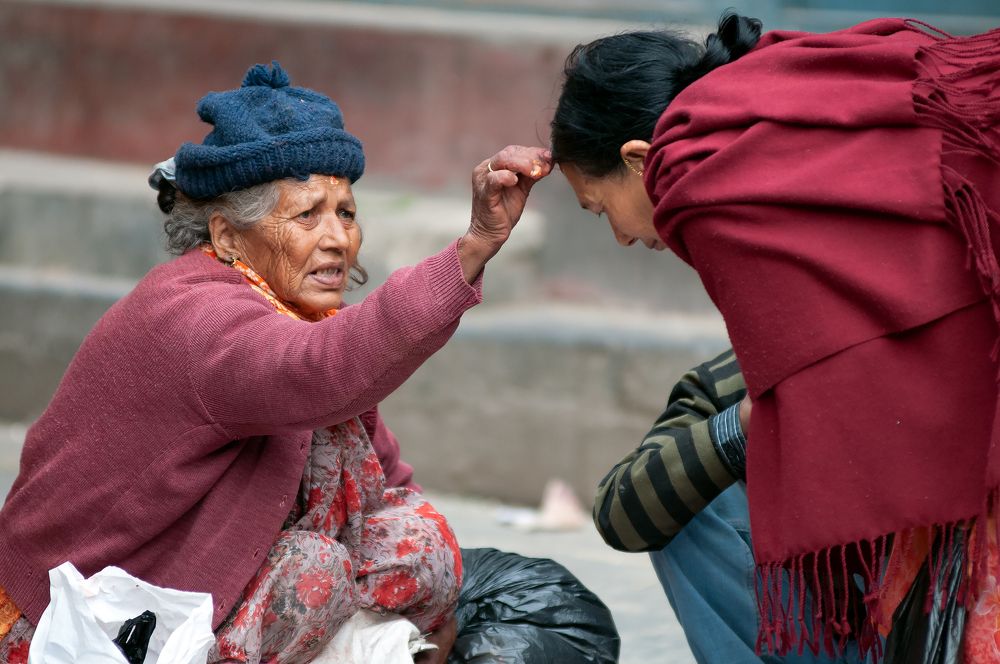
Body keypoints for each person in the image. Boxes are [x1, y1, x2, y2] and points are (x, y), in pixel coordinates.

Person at [0, 61, 551, 663]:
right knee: (314, 572)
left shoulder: (291, 312)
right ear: (227, 236)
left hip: (205, 576)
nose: (338, 238)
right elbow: (322, 370)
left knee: (419, 543)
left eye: (345, 213)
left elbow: (381, 468)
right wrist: (472, 247)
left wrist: (436, 602)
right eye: (307, 215)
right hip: (92, 609)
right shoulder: (195, 316)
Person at [549, 11, 1000, 663]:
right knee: (691, 503)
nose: (620, 237)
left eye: (600, 209)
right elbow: (623, 511)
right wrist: (754, 422)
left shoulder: (929, 325)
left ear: (642, 162)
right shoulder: (738, 371)